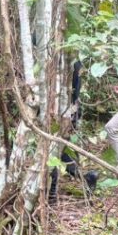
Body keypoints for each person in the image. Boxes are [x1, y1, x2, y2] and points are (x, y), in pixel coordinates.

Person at [48, 61, 99, 204]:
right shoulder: (71, 61)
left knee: (53, 151)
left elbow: (73, 91)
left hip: (63, 112)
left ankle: (51, 193)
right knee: (63, 151)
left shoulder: (62, 61)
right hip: (68, 111)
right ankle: (86, 178)